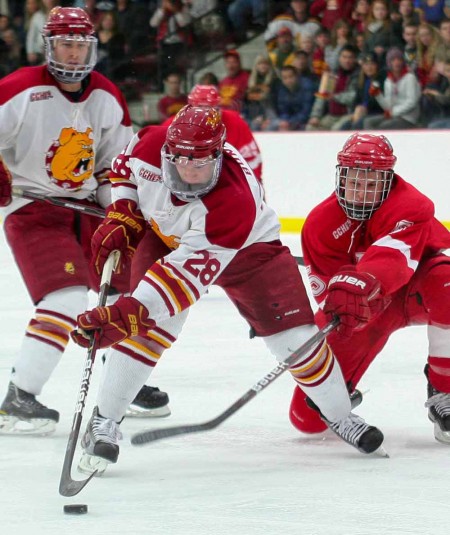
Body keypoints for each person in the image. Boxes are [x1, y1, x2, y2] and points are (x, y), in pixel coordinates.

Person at [70, 105, 385, 474]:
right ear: (167, 151)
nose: (187, 170)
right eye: (179, 160)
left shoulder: (233, 202)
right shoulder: (150, 143)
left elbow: (178, 283)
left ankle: (340, 415)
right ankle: (104, 421)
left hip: (250, 251)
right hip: (166, 238)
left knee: (297, 339)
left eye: (199, 162)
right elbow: (124, 170)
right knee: (150, 329)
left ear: (219, 155)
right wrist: (123, 211)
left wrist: (127, 314)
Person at [0, 7, 168, 437]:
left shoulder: (106, 94)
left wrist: (123, 208)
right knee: (65, 298)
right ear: (49, 46)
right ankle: (20, 396)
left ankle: (121, 385)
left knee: (123, 292)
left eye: (80, 45)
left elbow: (117, 162)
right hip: (33, 210)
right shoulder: (17, 90)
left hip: (89, 208)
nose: (73, 54)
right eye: (65, 44)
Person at [290, 132, 450, 446]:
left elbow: (391, 259)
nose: (360, 190)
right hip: (369, 310)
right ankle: (339, 396)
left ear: (388, 180)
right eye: (353, 179)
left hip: (416, 291)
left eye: (372, 181)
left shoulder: (411, 206)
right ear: (341, 177)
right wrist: (343, 306)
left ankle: (444, 391)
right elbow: (330, 297)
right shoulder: (320, 225)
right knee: (306, 419)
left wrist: (364, 280)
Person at [163, 84, 264, 184]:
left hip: (225, 185)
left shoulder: (235, 122)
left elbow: (252, 160)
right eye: (199, 109)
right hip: (182, 186)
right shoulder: (172, 126)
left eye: (211, 109)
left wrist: (254, 185)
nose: (205, 116)